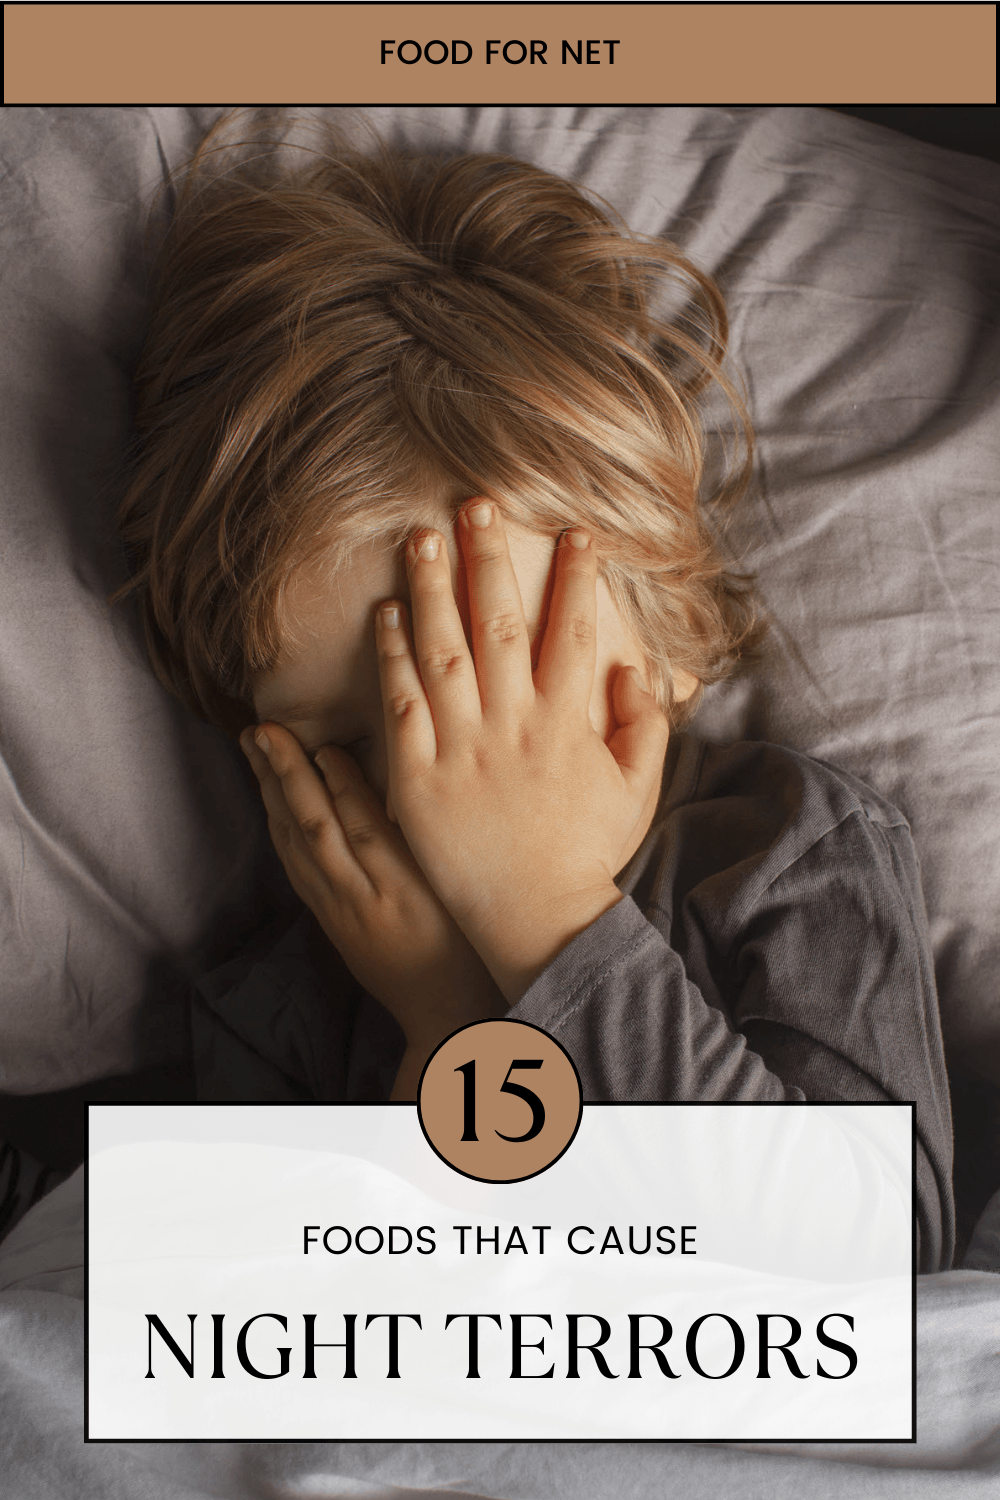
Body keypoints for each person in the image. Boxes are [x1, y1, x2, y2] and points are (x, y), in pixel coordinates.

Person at [116, 115, 954, 1271]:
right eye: (352, 745)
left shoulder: (783, 853)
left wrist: (539, 918)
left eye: (502, 683)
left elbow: (872, 1274)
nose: (436, 797)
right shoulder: (278, 1010)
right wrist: (441, 1012)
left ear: (676, 636)